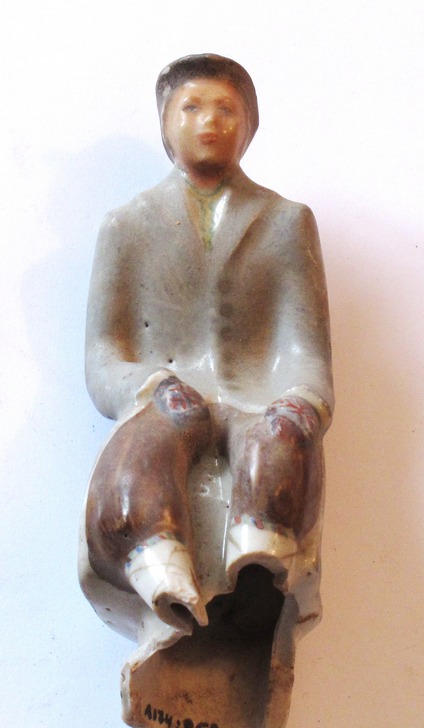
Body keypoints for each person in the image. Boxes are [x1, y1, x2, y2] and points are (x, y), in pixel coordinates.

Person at [83, 54, 334, 634]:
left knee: (277, 446)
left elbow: (306, 348)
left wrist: (302, 402)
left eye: (227, 109)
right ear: (165, 123)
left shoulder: (286, 221)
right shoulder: (126, 225)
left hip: (258, 398)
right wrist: (153, 386)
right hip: (163, 399)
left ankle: (259, 576)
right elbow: (103, 355)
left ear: (249, 125)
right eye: (191, 107)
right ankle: (159, 575)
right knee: (144, 456)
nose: (210, 122)